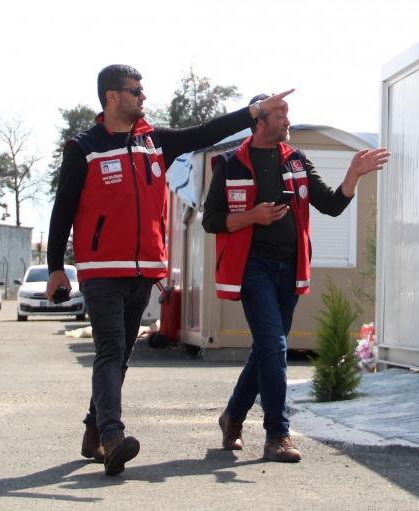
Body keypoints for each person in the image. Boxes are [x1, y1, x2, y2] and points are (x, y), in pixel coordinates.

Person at [46, 64, 292, 476]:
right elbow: (63, 209)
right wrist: (56, 266)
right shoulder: (83, 147)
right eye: (135, 90)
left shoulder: (154, 142)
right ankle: (112, 437)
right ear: (111, 97)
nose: (143, 96)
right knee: (109, 349)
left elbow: (205, 132)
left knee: (121, 353)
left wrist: (252, 113)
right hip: (101, 269)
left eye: (143, 90)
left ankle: (93, 431)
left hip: (144, 270)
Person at [202, 94, 389, 462]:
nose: (288, 119)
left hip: (290, 268)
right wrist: (253, 216)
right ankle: (278, 435)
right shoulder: (229, 164)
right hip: (251, 268)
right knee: (274, 346)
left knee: (266, 350)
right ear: (259, 120)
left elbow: (332, 206)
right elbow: (211, 220)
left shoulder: (297, 160)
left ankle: (232, 417)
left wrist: (353, 174)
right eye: (280, 113)